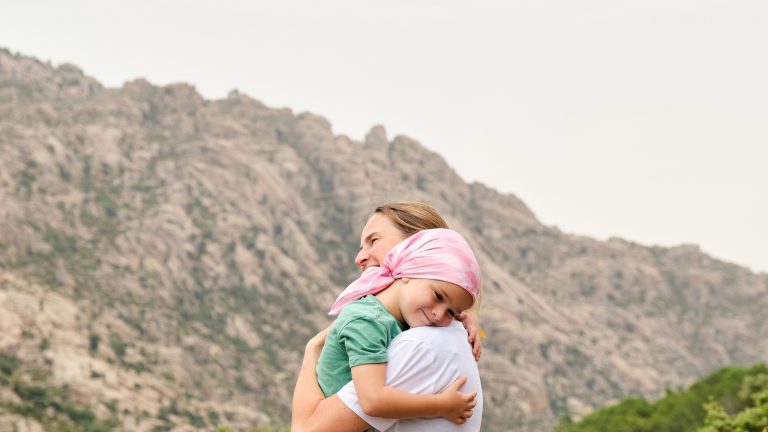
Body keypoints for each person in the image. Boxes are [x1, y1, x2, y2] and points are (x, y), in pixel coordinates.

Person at [291, 203, 484, 432]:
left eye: (374, 241)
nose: (359, 258)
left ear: (414, 249)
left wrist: (462, 313)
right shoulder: (371, 320)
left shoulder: (419, 338)